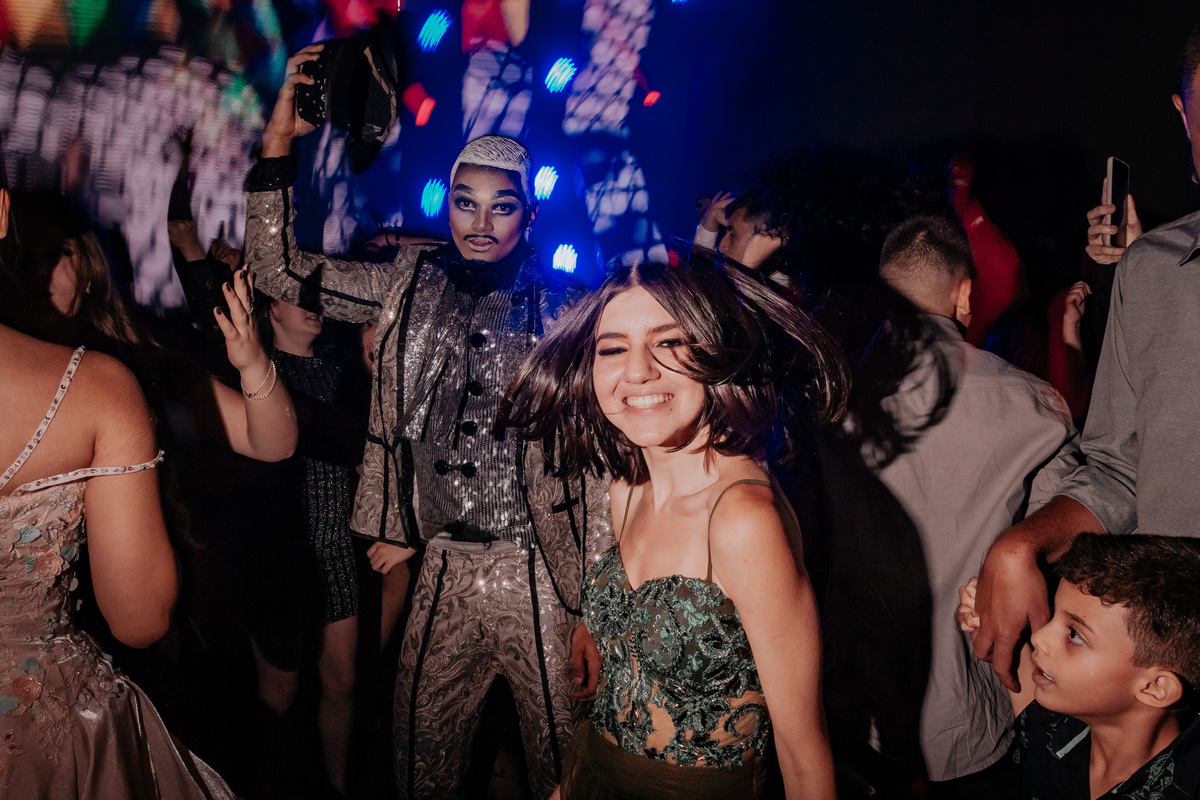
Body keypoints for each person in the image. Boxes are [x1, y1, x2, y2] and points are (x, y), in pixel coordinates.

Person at [244, 46, 611, 800]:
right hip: (442, 567)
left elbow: (600, 463)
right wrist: (278, 140)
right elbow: (278, 270)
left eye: (501, 205)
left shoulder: (571, 308)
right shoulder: (407, 283)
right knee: (419, 767)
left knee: (564, 772)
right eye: (464, 201)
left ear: (530, 212)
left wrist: (595, 608)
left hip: (541, 576)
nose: (480, 221)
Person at [503, 252, 847, 799]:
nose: (638, 370)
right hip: (592, 773)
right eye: (613, 348)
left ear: (715, 352)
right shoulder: (628, 489)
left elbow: (804, 759)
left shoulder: (741, 520)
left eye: (669, 342)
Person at [0, 186, 270, 796]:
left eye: (56, 252)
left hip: (151, 580)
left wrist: (253, 365)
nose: (41, 268)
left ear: (89, 266)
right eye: (35, 252)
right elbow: (138, 617)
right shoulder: (94, 381)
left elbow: (266, 439)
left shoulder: (128, 357)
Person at [972, 22, 1200, 696]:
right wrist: (1022, 543)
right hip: (1171, 669)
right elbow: (1119, 467)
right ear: (1185, 116)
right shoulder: (1152, 270)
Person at [821, 215, 1080, 797]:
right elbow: (1071, 543)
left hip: (852, 708)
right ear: (965, 295)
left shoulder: (827, 400)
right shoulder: (1032, 404)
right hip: (971, 709)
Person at [958, 534, 1200, 798]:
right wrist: (985, 611)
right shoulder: (1057, 726)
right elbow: (1015, 666)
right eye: (1054, 614)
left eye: (1074, 634)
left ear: (1154, 687)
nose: (1039, 637)